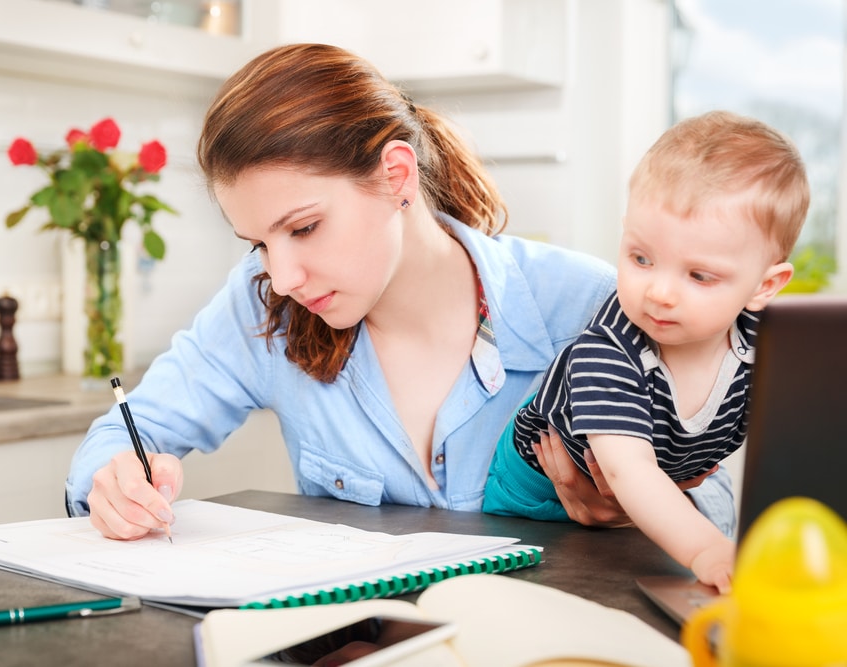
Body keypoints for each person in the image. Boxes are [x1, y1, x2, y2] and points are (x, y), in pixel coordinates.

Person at [64, 43, 735, 541]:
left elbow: (734, 505)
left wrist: (637, 512)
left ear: (396, 174)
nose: (285, 275)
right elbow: (122, 436)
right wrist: (114, 478)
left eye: (303, 227)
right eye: (259, 243)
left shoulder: (592, 308)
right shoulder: (261, 301)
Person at [484, 110, 810, 592]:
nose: (659, 292)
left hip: (648, 490)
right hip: (540, 491)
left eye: (698, 275)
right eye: (641, 258)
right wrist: (707, 550)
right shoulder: (608, 351)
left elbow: (800, 442)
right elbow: (628, 471)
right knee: (562, 581)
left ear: (764, 286)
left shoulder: (766, 345)